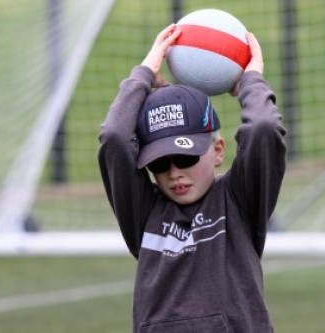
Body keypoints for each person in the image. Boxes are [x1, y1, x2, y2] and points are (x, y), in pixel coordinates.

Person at [98, 23, 286, 333]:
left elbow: (263, 129)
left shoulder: (240, 201)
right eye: (159, 164)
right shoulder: (144, 214)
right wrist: (143, 75)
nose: (174, 173)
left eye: (185, 157)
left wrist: (250, 81)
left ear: (218, 151)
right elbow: (115, 138)